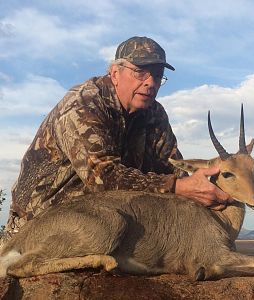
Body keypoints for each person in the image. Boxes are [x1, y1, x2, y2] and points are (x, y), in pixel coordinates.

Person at [4, 36, 230, 240]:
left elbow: (174, 171)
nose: (150, 82)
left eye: (158, 76)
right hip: (42, 222)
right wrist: (177, 187)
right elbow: (103, 178)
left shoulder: (154, 114)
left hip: (104, 218)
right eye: (140, 72)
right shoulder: (83, 105)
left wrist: (210, 187)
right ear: (115, 73)